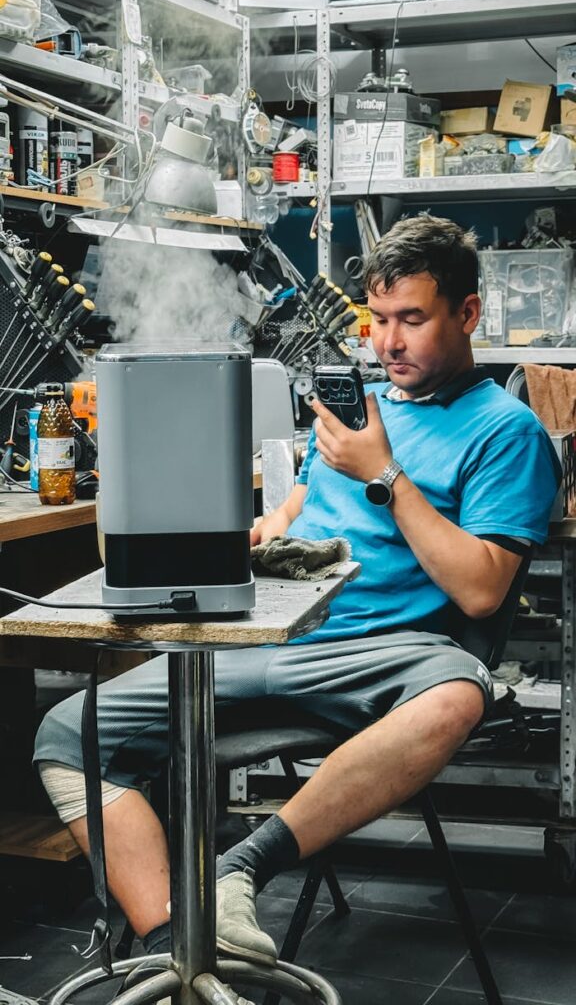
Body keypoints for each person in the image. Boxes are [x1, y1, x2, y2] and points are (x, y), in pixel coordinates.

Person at [34, 214, 561, 966]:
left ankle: (237, 872)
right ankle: (180, 951)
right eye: (378, 320)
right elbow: (297, 512)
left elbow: (481, 591)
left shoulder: (505, 432)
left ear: (468, 313)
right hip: (270, 633)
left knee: (457, 696)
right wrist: (250, 533)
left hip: (383, 655)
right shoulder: (353, 411)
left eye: (412, 319)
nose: (388, 342)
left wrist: (384, 474)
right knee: (68, 730)